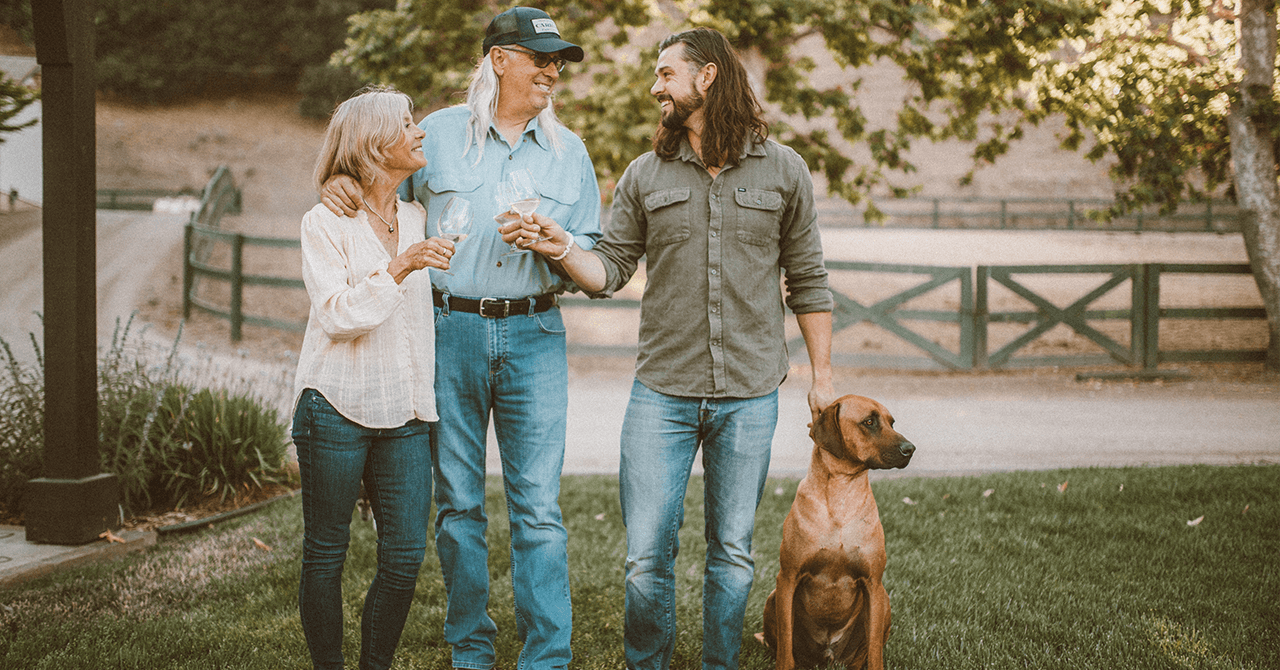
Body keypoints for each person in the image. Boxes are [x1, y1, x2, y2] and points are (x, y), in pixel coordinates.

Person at [503, 27, 837, 670]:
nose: (655, 87)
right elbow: (610, 270)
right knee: (645, 557)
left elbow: (809, 277)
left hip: (749, 392)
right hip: (662, 394)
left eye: (665, 74)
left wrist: (823, 375)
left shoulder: (785, 169)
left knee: (733, 553)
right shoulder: (644, 174)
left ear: (706, 77)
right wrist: (560, 247)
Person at [320, 8, 601, 669]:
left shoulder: (570, 153)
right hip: (449, 333)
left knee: (539, 508)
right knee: (459, 504)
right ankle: (470, 648)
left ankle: (546, 657)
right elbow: (378, 197)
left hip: (536, 332)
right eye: (542, 58)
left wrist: (555, 243)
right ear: (501, 59)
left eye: (560, 61)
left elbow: (591, 246)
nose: (553, 71)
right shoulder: (436, 136)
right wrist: (340, 184)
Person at [291, 86, 455, 670]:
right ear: (371, 144)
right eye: (406, 124)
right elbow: (336, 315)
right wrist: (402, 264)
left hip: (406, 412)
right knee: (326, 552)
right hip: (335, 404)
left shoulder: (417, 215)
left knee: (406, 554)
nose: (419, 132)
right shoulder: (325, 221)